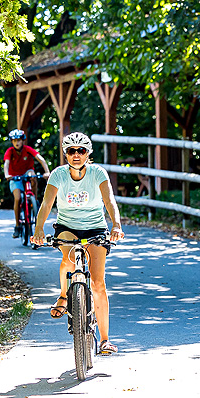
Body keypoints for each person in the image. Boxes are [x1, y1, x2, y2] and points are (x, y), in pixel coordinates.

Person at [31, 132, 125, 355]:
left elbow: (109, 200)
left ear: (88, 154)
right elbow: (46, 204)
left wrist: (116, 225)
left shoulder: (97, 173)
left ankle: (104, 340)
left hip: (95, 227)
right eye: (71, 151)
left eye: (81, 151)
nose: (76, 155)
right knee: (69, 257)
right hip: (67, 227)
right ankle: (64, 295)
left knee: (99, 283)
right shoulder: (58, 175)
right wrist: (38, 229)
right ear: (65, 154)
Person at [3, 129, 51, 238]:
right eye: (14, 141)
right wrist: (7, 174)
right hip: (15, 177)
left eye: (19, 140)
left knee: (32, 175)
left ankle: (34, 199)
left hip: (26, 172)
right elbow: (6, 163)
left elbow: (40, 159)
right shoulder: (10, 151)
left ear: (23, 141)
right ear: (12, 142)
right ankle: (17, 226)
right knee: (17, 198)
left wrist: (47, 172)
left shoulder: (27, 149)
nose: (17, 143)